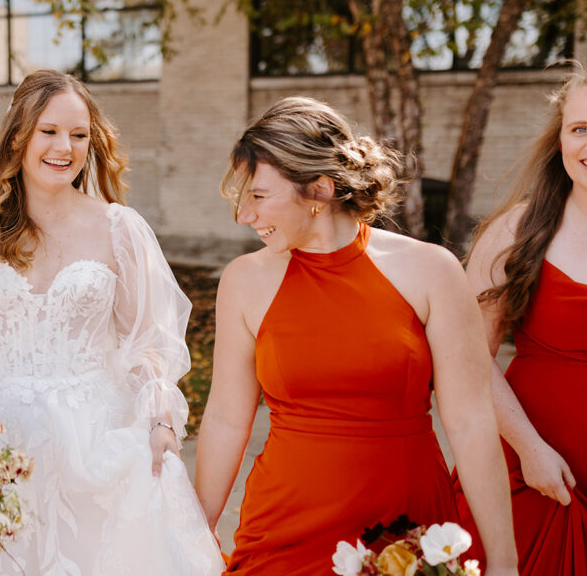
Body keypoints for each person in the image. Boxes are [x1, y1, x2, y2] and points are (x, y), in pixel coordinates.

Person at [0, 69, 224, 575]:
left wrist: (160, 419)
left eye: (79, 135)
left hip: (96, 442)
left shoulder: (120, 229)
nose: (65, 148)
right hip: (0, 445)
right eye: (50, 131)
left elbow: (146, 344)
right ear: (18, 136)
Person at [193, 97, 518, 575]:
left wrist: (505, 561)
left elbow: (471, 422)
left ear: (319, 190)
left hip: (403, 532)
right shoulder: (244, 280)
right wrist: (197, 527)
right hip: (282, 531)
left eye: (259, 196)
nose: (244, 214)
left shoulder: (432, 270)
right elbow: (225, 417)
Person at [455, 63, 586, 574]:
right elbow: (468, 356)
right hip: (536, 472)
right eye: (580, 128)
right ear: (560, 139)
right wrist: (530, 449)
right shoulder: (516, 230)